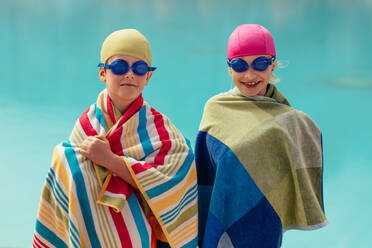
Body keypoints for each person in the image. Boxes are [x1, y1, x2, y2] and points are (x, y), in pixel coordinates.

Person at [33, 29, 198, 248]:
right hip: (88, 233)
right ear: (103, 73)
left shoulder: (160, 130)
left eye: (139, 68)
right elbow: (72, 182)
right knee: (65, 157)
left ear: (148, 77)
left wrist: (109, 161)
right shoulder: (87, 124)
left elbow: (175, 180)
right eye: (120, 67)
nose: (130, 74)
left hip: (140, 236)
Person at [195, 24, 327, 248]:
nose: (250, 74)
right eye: (239, 65)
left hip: (265, 222)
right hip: (219, 219)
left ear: (273, 65)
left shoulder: (288, 120)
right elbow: (205, 174)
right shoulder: (215, 109)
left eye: (260, 64)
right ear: (229, 68)